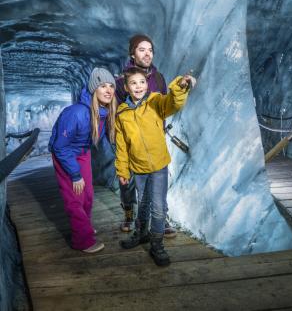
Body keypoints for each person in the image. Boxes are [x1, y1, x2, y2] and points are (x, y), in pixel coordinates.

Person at [115, 67, 196, 266]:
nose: (138, 86)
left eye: (142, 82)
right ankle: (141, 233)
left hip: (158, 166)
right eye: (133, 83)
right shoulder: (122, 113)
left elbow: (173, 103)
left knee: (158, 208)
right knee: (142, 203)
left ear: (147, 84)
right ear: (126, 87)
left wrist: (179, 86)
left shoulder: (155, 101)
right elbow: (122, 145)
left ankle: (157, 245)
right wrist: (123, 170)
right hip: (139, 168)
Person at [48, 67, 117, 253]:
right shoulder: (76, 113)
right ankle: (82, 240)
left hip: (83, 152)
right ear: (94, 88)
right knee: (74, 198)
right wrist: (75, 174)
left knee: (87, 194)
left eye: (111, 86)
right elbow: (60, 147)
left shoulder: (103, 112)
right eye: (103, 86)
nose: (108, 90)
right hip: (66, 154)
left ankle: (84, 226)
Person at [115, 34, 177, 238]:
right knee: (129, 182)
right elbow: (118, 111)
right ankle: (129, 213)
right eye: (142, 49)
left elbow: (164, 105)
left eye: (150, 49)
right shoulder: (121, 81)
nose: (147, 53)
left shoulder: (158, 78)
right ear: (133, 53)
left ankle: (161, 217)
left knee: (157, 180)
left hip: (153, 138)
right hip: (131, 139)